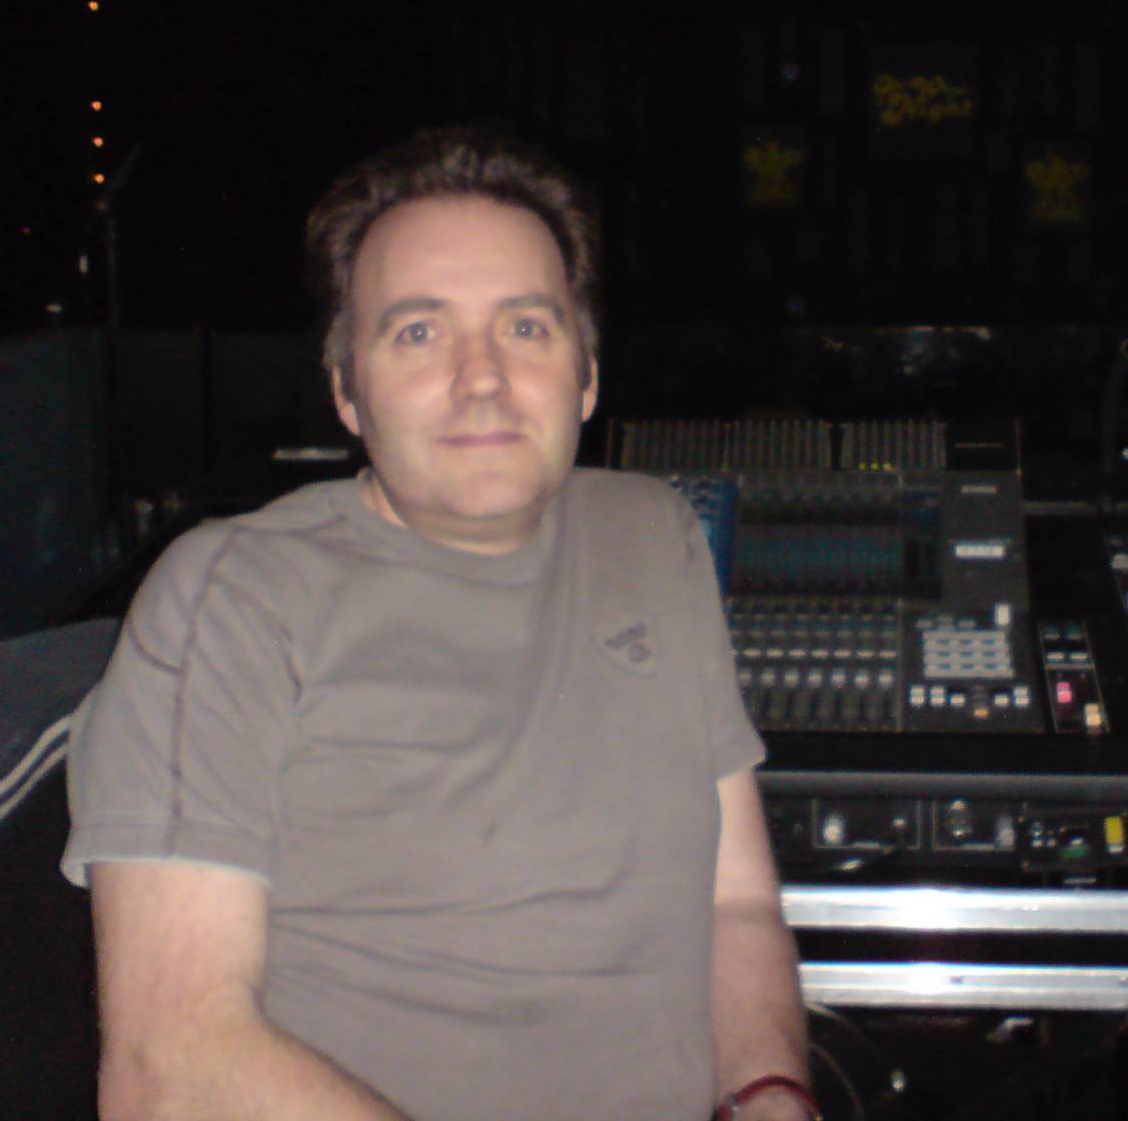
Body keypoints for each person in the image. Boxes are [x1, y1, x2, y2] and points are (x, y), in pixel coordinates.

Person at [61, 128, 815, 1121]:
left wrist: (769, 1094)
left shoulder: (654, 535)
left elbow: (735, 904)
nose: (481, 378)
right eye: (418, 333)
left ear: (587, 374)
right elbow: (171, 1064)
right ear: (346, 388)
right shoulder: (233, 597)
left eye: (526, 327)